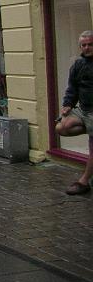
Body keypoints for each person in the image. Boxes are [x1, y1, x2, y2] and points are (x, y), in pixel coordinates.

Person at [56, 30, 93, 195]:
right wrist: (68, 105)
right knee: (61, 127)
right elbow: (72, 88)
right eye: (84, 45)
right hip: (83, 110)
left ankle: (83, 182)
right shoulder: (78, 65)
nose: (87, 48)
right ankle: (89, 128)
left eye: (90, 44)